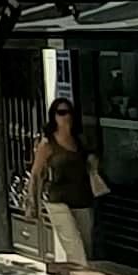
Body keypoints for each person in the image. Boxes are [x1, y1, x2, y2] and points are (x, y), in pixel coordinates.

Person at [27, 97, 105, 263]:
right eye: (61, 113)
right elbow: (36, 173)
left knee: (85, 249)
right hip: (58, 201)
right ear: (53, 116)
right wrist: (33, 202)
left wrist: (93, 163)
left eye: (69, 112)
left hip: (82, 199)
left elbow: (90, 162)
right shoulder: (47, 144)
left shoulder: (79, 140)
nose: (66, 116)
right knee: (76, 251)